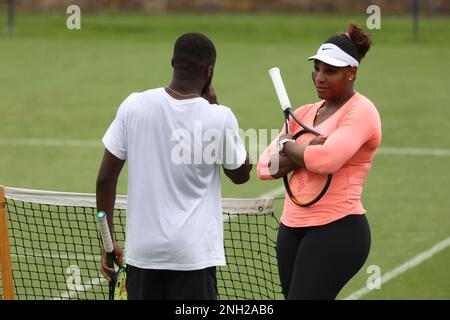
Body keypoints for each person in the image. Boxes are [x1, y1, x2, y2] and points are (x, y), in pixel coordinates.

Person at [96, 32, 252, 300]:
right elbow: (240, 174)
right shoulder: (219, 117)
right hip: (192, 257)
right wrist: (217, 108)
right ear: (210, 70)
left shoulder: (133, 105)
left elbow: (105, 178)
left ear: (172, 62)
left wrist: (107, 243)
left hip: (143, 255)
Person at [257, 23, 382, 300]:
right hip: (290, 230)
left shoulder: (362, 112)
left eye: (330, 71)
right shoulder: (303, 112)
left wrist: (288, 145)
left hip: (338, 230)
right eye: (317, 69)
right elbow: (266, 168)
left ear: (352, 73)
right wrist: (301, 150)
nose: (319, 77)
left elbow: (326, 161)